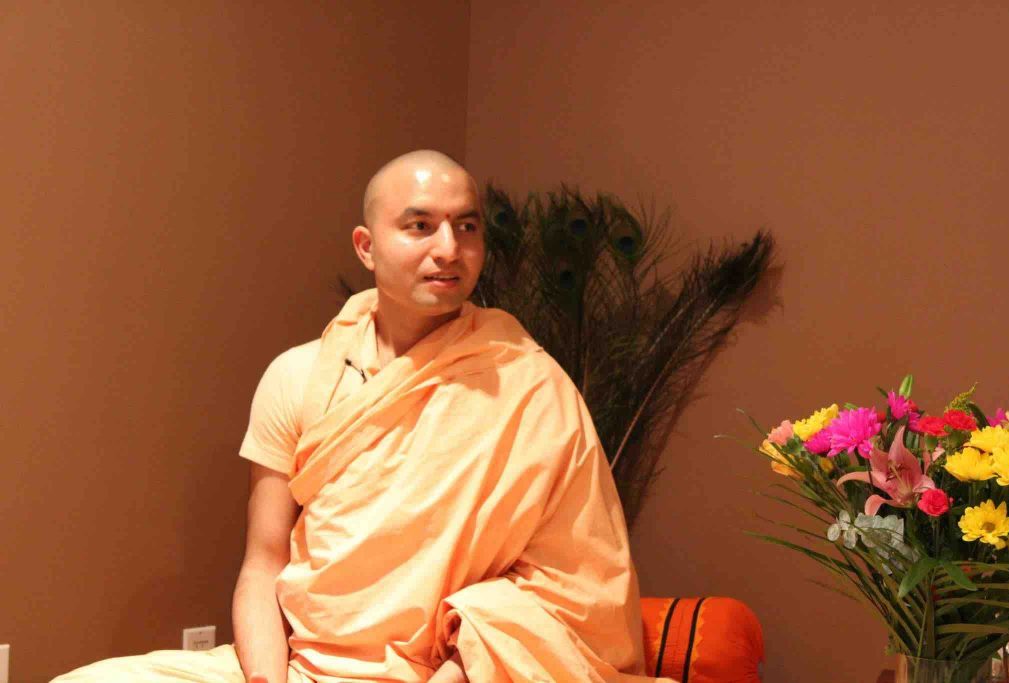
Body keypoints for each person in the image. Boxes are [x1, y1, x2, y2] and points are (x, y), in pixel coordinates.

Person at [53, 150, 669, 683]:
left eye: (467, 227)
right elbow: (264, 562)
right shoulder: (297, 377)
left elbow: (571, 587)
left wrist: (461, 670)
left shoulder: (527, 381)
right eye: (420, 226)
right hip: (302, 664)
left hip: (457, 672)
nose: (448, 249)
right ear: (366, 247)